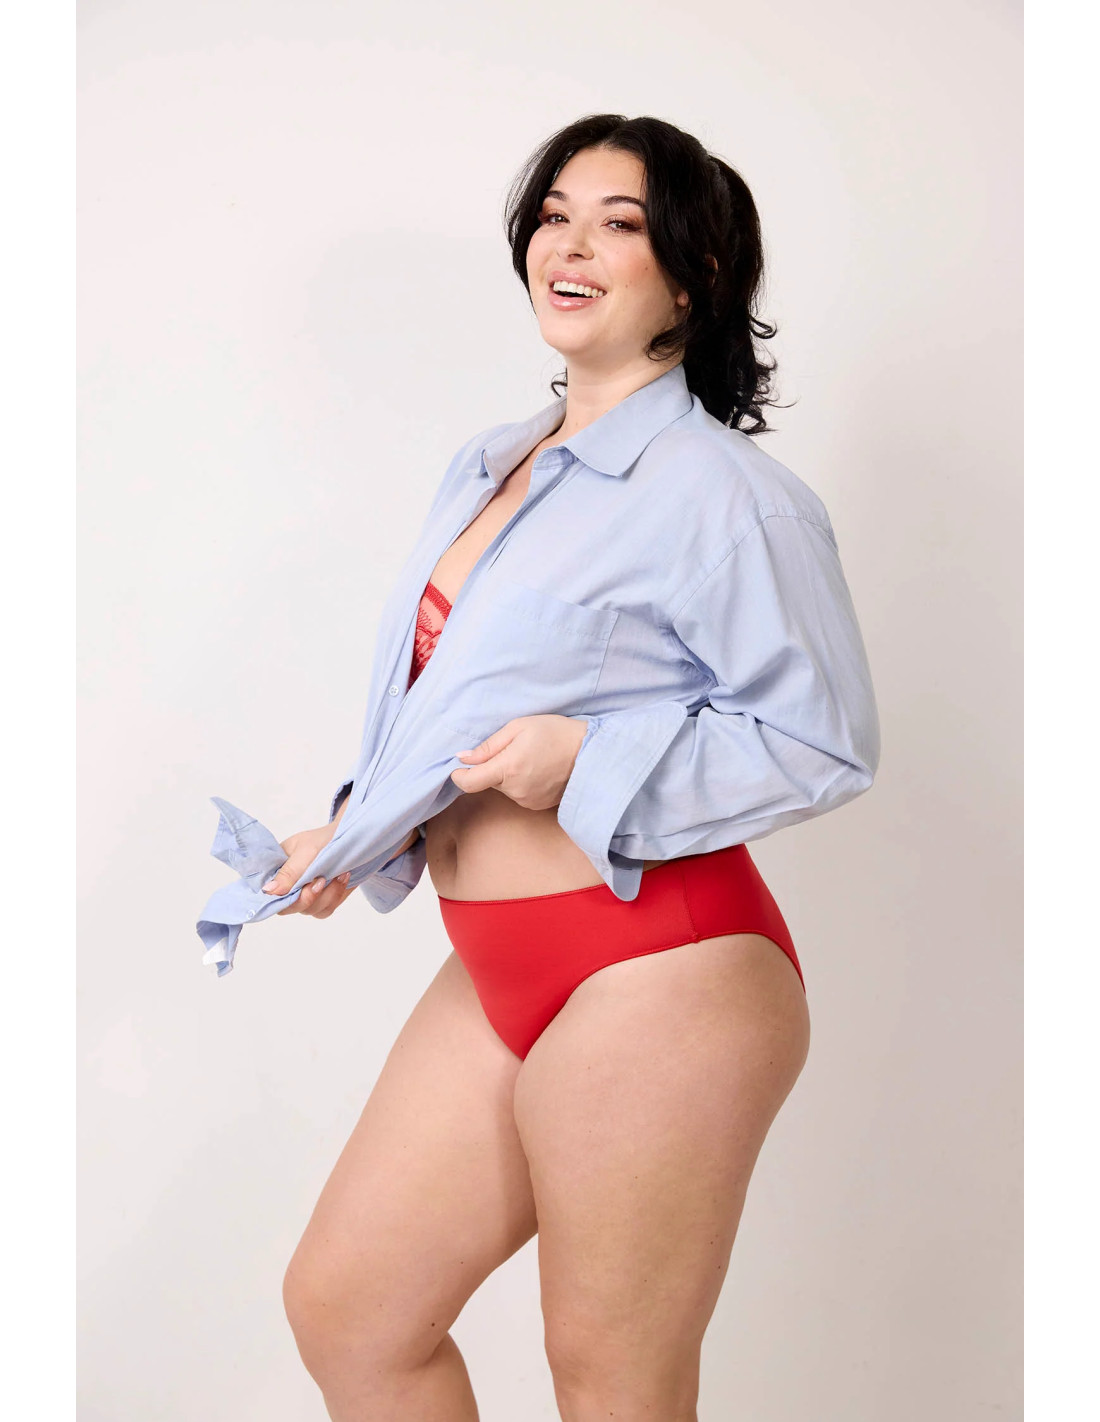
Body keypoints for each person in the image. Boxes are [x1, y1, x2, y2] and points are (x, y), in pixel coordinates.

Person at [260, 114, 879, 1420]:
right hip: (497, 958)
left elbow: (823, 741)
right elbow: (453, 702)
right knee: (353, 1314)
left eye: (620, 223)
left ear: (695, 276)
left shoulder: (728, 495)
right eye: (554, 215)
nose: (572, 245)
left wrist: (591, 756)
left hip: (662, 962)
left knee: (611, 1375)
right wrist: (358, 827)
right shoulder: (490, 464)